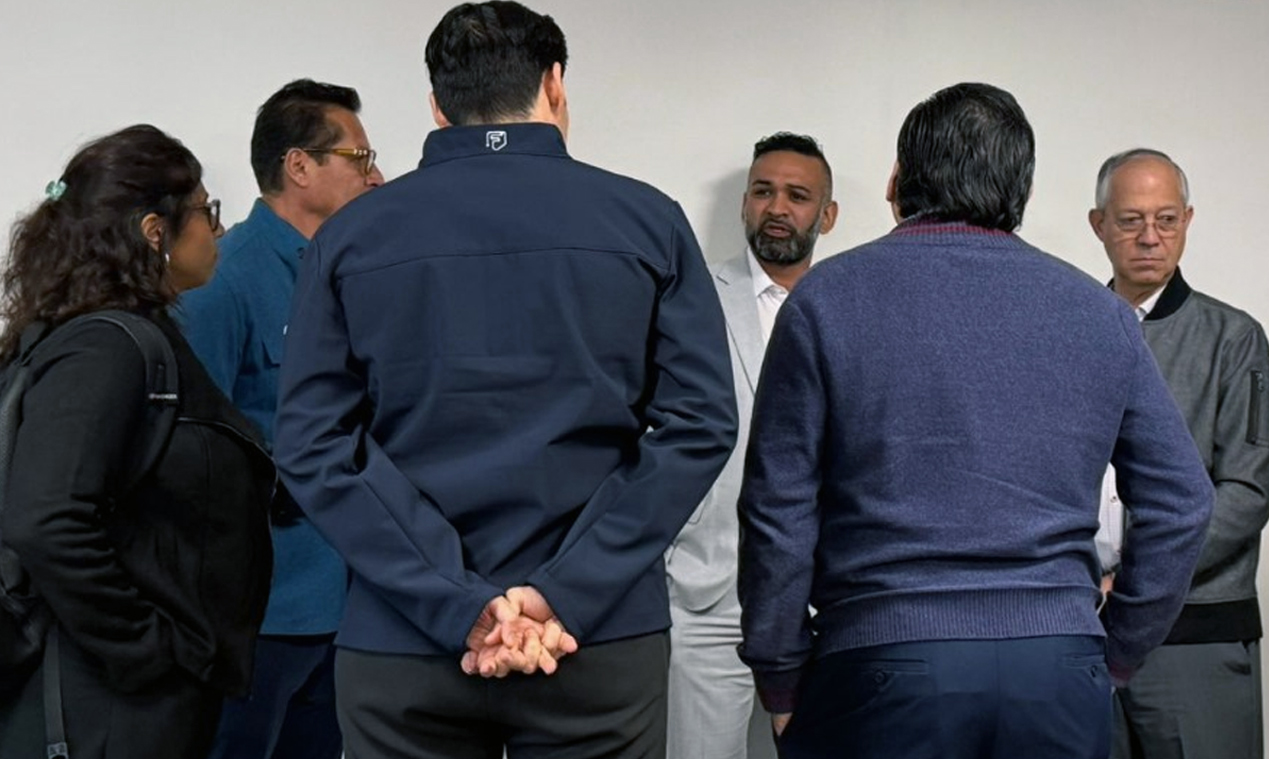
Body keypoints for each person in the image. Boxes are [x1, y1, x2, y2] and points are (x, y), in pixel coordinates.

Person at [272, 3, 738, 758]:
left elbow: (313, 445)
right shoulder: (648, 221)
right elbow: (701, 424)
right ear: (554, 85)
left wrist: (455, 600)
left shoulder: (349, 237)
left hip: (403, 638)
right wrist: (565, 590)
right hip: (596, 636)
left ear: (437, 105)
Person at [736, 82, 1214, 759]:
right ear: (1022, 188)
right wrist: (1114, 653)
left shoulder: (825, 300)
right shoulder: (1099, 313)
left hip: (882, 661)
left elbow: (777, 507)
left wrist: (780, 673)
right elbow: (1184, 501)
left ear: (900, 180)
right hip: (1057, 667)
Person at [0, 125, 274, 759]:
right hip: (104, 707)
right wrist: (147, 651)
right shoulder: (107, 348)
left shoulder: (109, 337)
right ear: (155, 231)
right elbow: (44, 520)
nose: (217, 231)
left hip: (120, 698)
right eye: (206, 211)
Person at [180, 78, 383, 759]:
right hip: (259, 612)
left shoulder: (344, 274)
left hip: (343, 601)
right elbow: (192, 450)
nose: (374, 175)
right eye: (358, 158)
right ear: (299, 166)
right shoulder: (225, 280)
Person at [1087, 148, 1269, 759]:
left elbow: (1246, 493)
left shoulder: (1233, 338)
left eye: (1166, 220)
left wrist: (1134, 581)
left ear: (1188, 221)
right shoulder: (1068, 330)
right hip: (1079, 629)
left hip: (1194, 634)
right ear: (1098, 224)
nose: (1150, 237)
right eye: (1130, 220)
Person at [665, 131, 836, 759]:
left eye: (797, 196)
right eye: (763, 192)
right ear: (744, 204)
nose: (777, 208)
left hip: (829, 601)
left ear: (827, 215)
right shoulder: (692, 302)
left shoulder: (850, 305)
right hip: (710, 595)